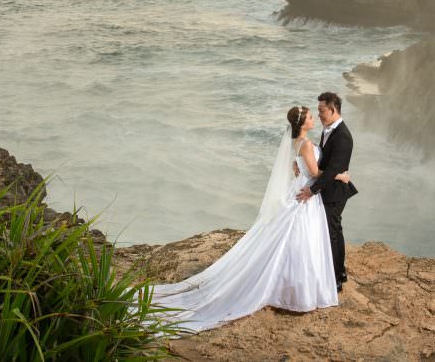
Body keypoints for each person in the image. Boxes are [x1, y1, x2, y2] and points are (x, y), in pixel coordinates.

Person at [150, 105, 351, 332]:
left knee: (298, 238)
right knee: (299, 238)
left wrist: (303, 166)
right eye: (310, 117)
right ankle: (295, 290)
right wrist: (340, 175)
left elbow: (303, 166)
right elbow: (314, 173)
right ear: (302, 123)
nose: (314, 118)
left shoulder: (298, 142)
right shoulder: (305, 144)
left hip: (301, 189)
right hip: (306, 193)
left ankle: (296, 285)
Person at [295, 92, 357, 291]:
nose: (319, 115)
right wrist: (299, 163)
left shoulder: (343, 136)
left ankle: (336, 279)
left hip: (335, 192)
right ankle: (339, 272)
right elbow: (322, 162)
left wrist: (312, 190)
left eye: (321, 111)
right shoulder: (327, 129)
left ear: (333, 109)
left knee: (332, 233)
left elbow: (332, 170)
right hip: (328, 187)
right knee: (332, 232)